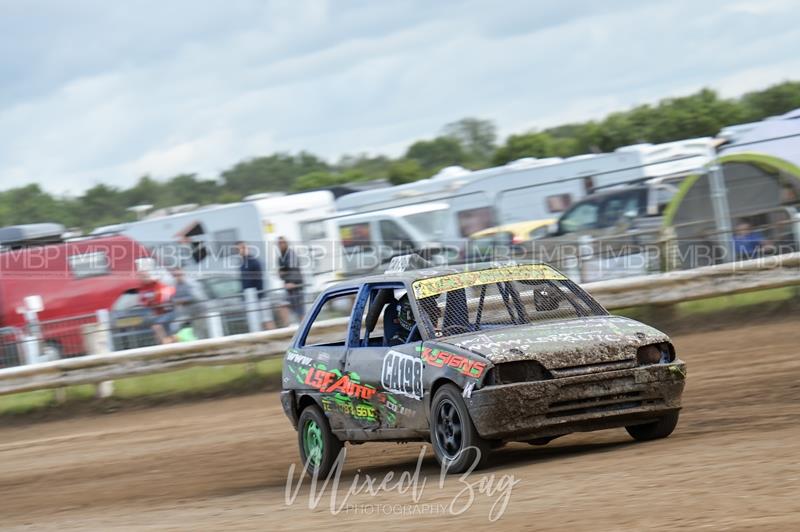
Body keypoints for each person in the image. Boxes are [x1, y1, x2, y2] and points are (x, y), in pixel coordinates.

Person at [236, 241, 277, 330]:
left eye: (243, 248)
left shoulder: (253, 262)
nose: (241, 251)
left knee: (267, 319)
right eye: (239, 249)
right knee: (257, 322)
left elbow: (258, 278)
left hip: (259, 295)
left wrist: (258, 293)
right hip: (250, 297)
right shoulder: (242, 264)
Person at [277, 236, 305, 322]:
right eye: (279, 243)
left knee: (300, 312)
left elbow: (294, 270)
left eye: (282, 243)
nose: (281, 245)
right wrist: (284, 273)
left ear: (286, 243)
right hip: (288, 289)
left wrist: (292, 281)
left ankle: (306, 329)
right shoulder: (280, 258)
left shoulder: (291, 255)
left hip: (296, 287)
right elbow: (280, 274)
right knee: (283, 306)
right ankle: (288, 328)